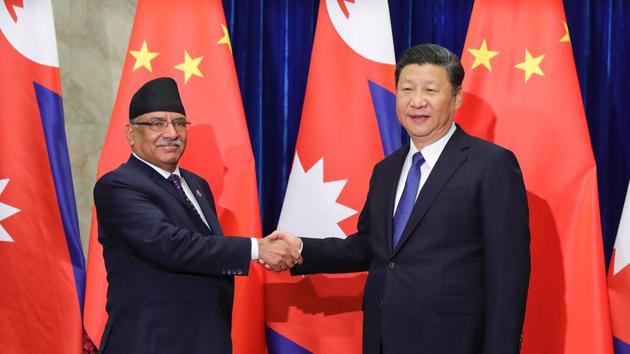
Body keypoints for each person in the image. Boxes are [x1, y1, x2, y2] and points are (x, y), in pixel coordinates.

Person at [271, 44, 530, 354]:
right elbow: (372, 247)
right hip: (383, 338)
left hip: (454, 341)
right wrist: (302, 248)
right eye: (407, 89)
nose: (417, 101)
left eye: (431, 90)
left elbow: (508, 271)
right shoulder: (387, 169)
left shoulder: (491, 164)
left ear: (457, 97)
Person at [93, 77, 299, 354]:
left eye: (179, 123)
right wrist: (257, 248)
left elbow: (204, 256)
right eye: (157, 123)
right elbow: (171, 245)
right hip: (150, 343)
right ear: (131, 133)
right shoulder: (118, 186)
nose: (172, 133)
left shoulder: (197, 185)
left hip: (206, 340)